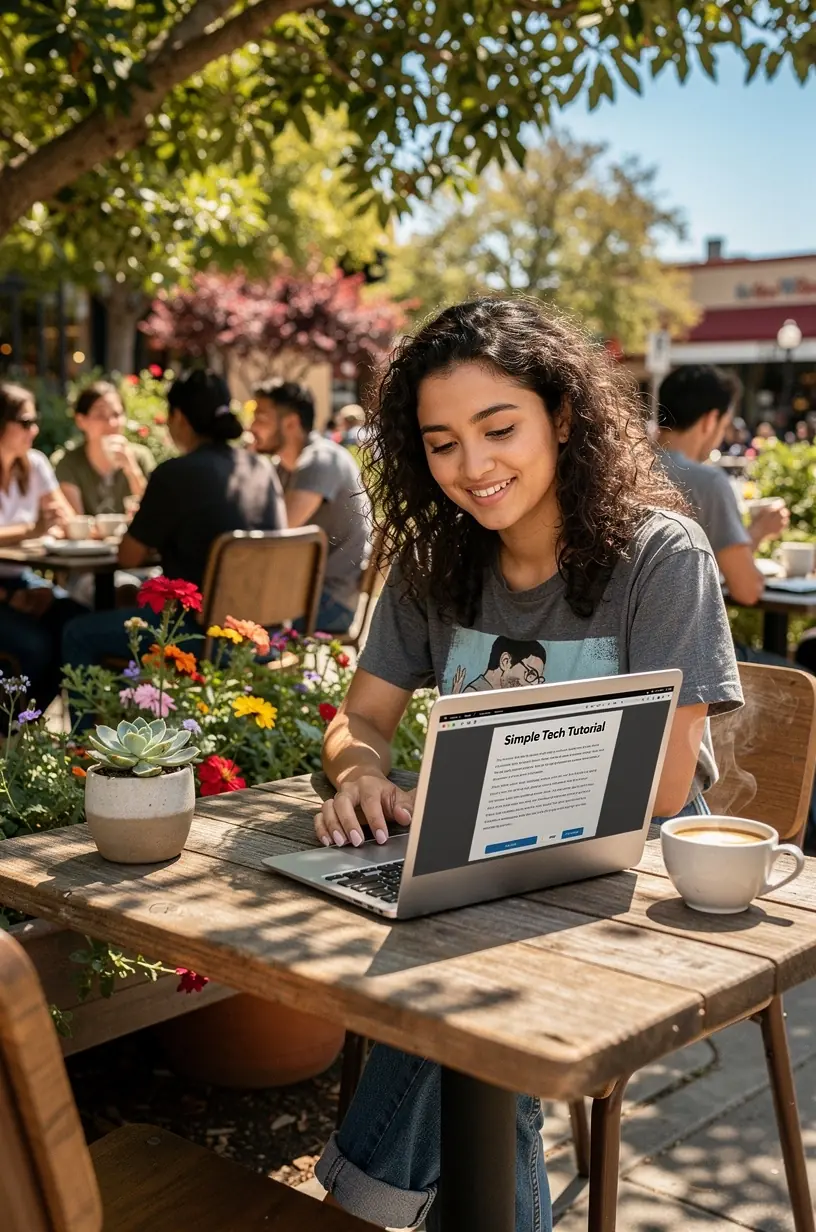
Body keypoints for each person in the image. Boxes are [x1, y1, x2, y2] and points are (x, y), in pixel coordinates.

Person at [309, 298, 743, 1232]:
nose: (473, 466)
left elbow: (665, 787)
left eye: (498, 428)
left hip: (625, 889)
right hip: (471, 872)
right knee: (463, 998)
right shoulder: (436, 563)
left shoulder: (660, 556)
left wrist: (478, 815)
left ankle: (357, 1205)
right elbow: (362, 718)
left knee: (457, 996)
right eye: (442, 443)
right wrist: (361, 775)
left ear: (565, 418)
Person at [62, 370, 285, 668]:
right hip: (264, 633)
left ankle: (119, 700)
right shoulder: (262, 469)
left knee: (77, 633)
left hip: (202, 634)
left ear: (178, 417)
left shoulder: (175, 474)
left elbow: (128, 556)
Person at [656, 365, 788, 610]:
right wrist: (758, 531)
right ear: (710, 420)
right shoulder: (706, 482)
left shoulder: (622, 467)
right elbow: (747, 589)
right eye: (724, 425)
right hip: (679, 631)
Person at [250, 380, 371, 635]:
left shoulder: (321, 460)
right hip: (302, 591)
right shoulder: (283, 468)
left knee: (230, 614)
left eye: (260, 418)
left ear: (291, 423)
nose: (251, 428)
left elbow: (274, 534)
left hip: (330, 602)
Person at [0, 383, 85, 706]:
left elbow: (64, 518)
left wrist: (59, 524)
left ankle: (30, 724)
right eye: (25, 422)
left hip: (22, 577)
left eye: (34, 422)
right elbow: (37, 527)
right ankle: (11, 723)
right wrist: (9, 597)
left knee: (76, 624)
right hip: (6, 588)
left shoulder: (34, 464)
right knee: (36, 645)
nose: (33, 430)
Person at [51, 381, 154, 516]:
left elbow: (156, 510)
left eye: (116, 415)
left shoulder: (141, 456)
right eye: (100, 415)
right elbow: (75, 521)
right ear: (81, 420)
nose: (111, 423)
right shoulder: (67, 462)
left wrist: (132, 469)